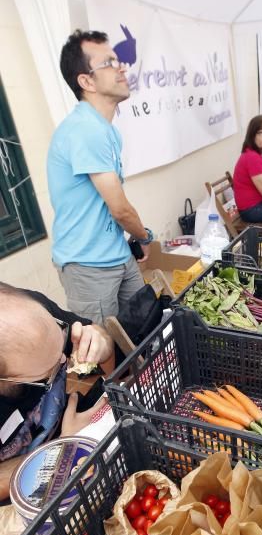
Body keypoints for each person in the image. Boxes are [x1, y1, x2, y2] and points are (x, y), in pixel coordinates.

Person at [47, 29, 154, 325]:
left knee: (146, 325)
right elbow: (119, 208)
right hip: (87, 265)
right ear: (86, 81)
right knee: (103, 352)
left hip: (117, 252)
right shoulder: (85, 129)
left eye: (118, 60)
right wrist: (145, 235)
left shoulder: (106, 130)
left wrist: (135, 236)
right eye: (108, 62)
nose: (121, 67)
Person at [0, 282, 114, 500]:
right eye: (49, 372)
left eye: (61, 345)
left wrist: (100, 341)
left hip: (74, 432)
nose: (64, 360)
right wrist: (61, 445)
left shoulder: (32, 312)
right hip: (26, 488)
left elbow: (101, 340)